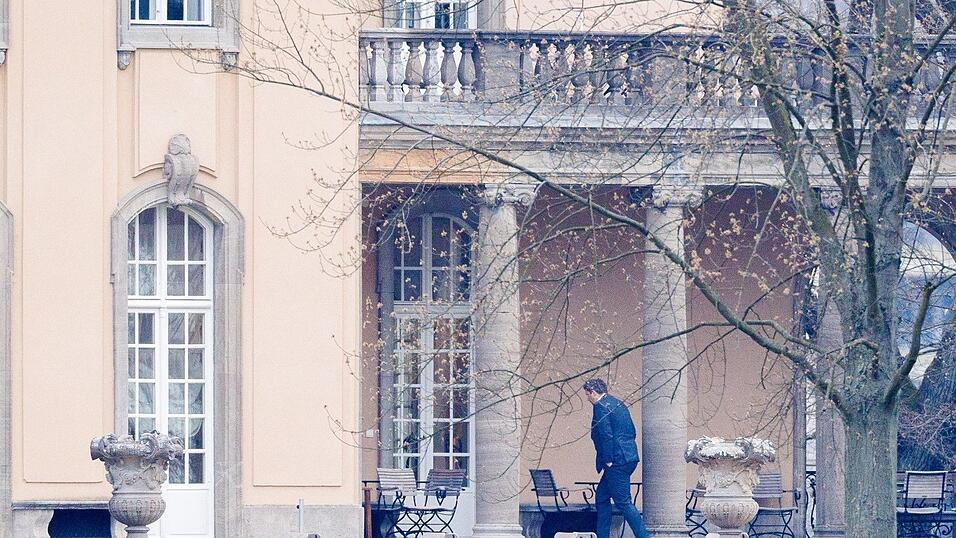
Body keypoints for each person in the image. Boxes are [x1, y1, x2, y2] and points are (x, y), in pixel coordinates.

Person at [584, 378, 650, 538]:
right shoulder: (617, 403)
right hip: (628, 456)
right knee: (601, 497)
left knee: (623, 502)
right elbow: (631, 431)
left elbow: (606, 434)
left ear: (592, 392)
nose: (587, 398)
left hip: (616, 461)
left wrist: (608, 460)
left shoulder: (600, 406)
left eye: (587, 394)